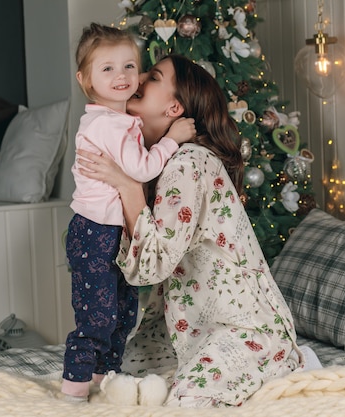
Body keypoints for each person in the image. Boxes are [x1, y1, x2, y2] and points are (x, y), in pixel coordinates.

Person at [76, 54, 305, 408]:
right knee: (117, 386)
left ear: (174, 107)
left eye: (152, 77)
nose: (137, 81)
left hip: (242, 330)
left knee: (187, 402)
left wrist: (127, 187)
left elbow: (152, 268)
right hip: (183, 329)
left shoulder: (188, 163)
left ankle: (282, 364)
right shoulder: (154, 162)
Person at [61, 24, 194, 401]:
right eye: (107, 69)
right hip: (93, 231)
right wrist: (171, 140)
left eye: (128, 66)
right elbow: (140, 170)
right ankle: (72, 392)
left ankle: (106, 382)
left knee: (122, 313)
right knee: (97, 317)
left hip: (111, 233)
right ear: (85, 79)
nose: (121, 76)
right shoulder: (105, 124)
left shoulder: (121, 121)